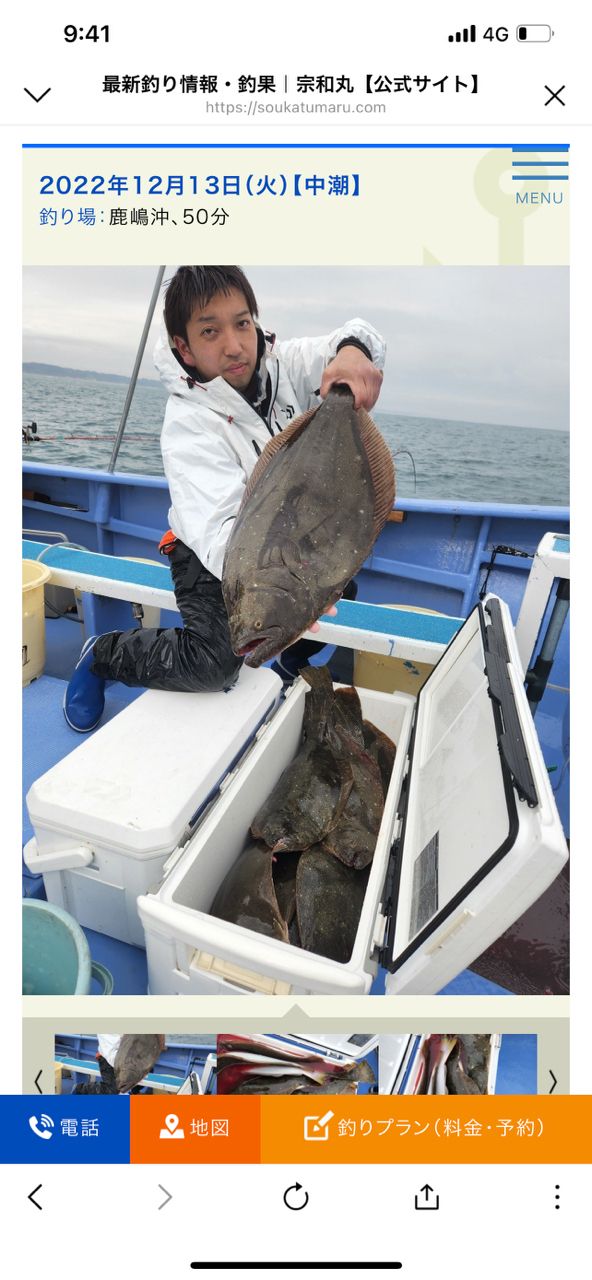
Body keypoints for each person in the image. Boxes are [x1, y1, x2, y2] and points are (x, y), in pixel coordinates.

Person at [64, 266, 386, 732]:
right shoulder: (186, 425)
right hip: (205, 550)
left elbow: (358, 335)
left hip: (281, 543)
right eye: (210, 331)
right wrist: (287, 587)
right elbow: (220, 533)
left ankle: (282, 663)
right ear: (184, 347)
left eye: (242, 323)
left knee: (342, 588)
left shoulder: (287, 365)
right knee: (216, 661)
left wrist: (351, 356)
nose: (235, 345)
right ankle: (105, 656)